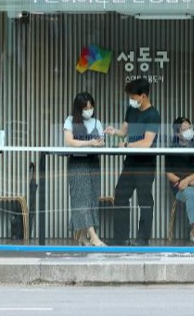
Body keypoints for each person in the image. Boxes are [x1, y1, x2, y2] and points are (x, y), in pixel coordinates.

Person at [104, 78, 160, 246]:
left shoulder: (153, 114)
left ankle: (142, 239)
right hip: (130, 163)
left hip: (145, 164)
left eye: (133, 96)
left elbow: (147, 143)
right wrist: (114, 132)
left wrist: (126, 144)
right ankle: (120, 238)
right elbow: (123, 131)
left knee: (144, 200)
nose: (131, 99)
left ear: (143, 96)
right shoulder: (131, 109)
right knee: (120, 196)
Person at [63, 92, 106, 247]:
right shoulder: (70, 121)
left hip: (93, 162)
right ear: (79, 108)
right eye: (86, 107)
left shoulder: (97, 122)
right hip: (77, 162)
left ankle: (82, 237)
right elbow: (69, 141)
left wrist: (99, 143)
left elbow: (101, 141)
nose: (89, 110)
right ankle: (93, 237)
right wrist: (90, 143)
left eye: (91, 107)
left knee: (91, 198)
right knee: (81, 198)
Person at [165, 116, 194, 243]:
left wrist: (189, 180)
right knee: (192, 194)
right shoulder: (171, 149)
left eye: (190, 128)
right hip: (181, 187)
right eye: (184, 129)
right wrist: (185, 182)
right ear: (177, 132)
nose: (188, 131)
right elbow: (169, 174)